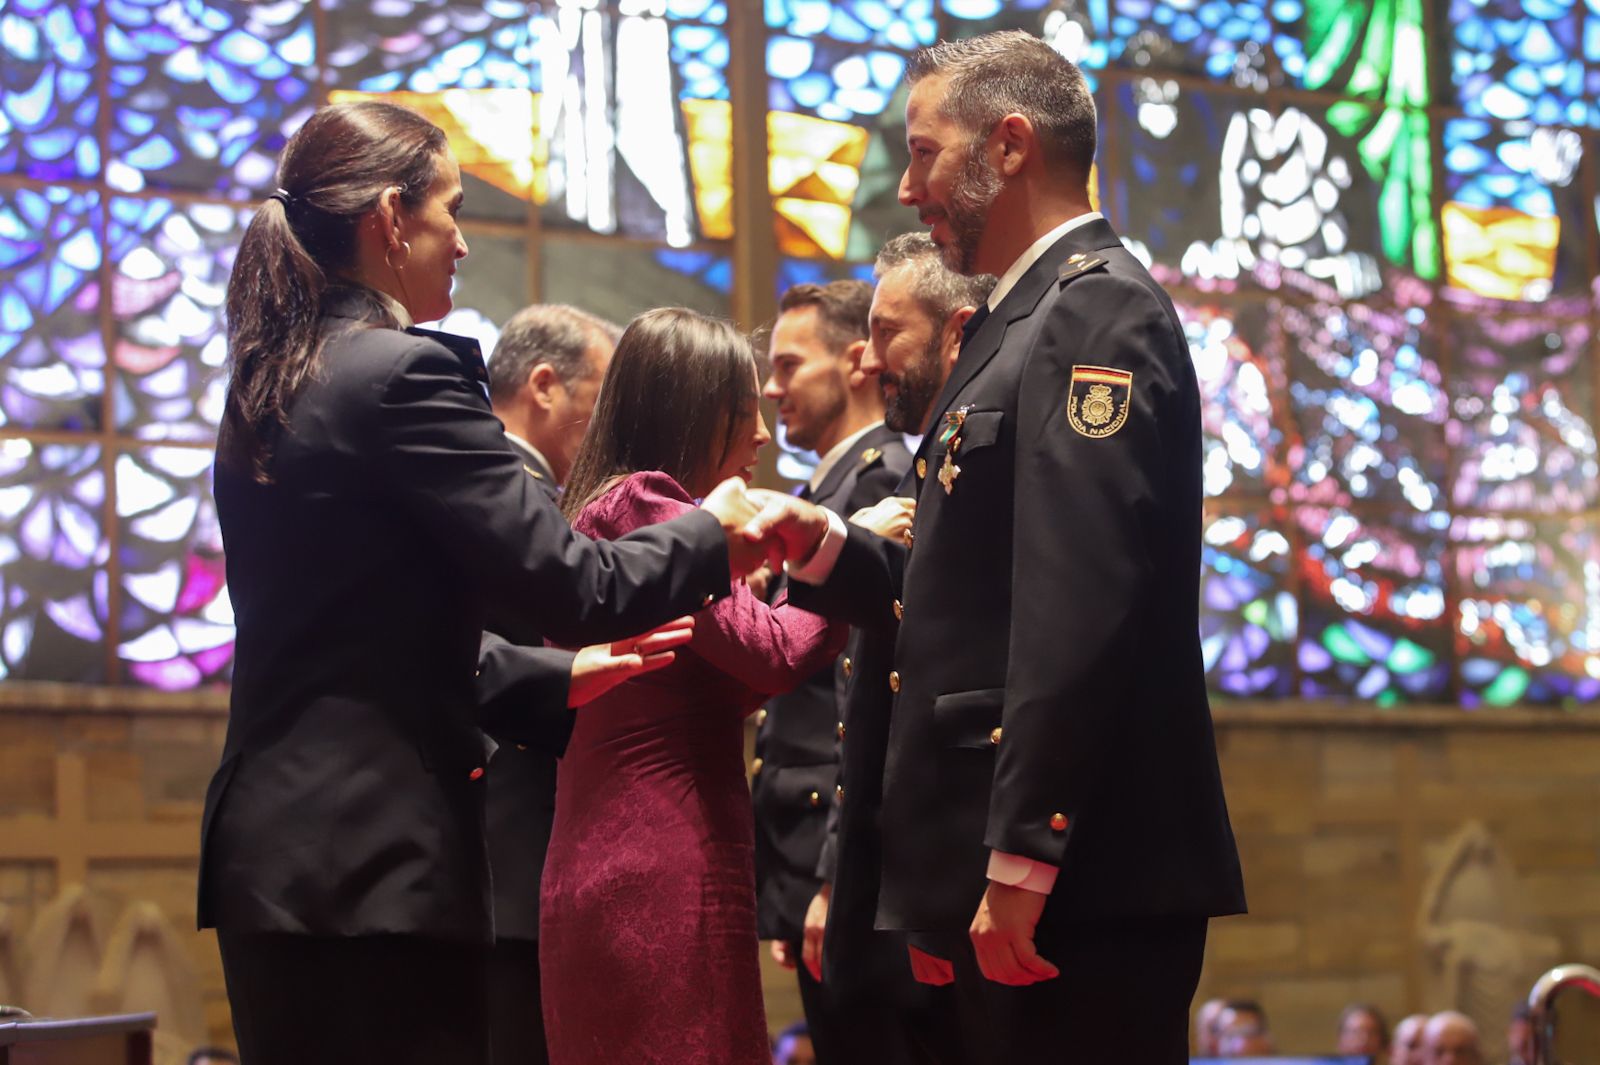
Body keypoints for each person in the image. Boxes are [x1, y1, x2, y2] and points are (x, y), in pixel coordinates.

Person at [201, 101, 785, 1065]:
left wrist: (554, 680)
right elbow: (573, 583)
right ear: (390, 217)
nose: (464, 242)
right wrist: (713, 531)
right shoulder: (397, 374)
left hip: (277, 855)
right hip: (375, 864)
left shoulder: (275, 378)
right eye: (452, 211)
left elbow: (354, 630)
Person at [752, 30, 1246, 1063]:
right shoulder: (1016, 324)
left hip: (1079, 871)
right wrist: (829, 550)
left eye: (924, 151)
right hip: (994, 864)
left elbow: (1082, 594)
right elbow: (965, 594)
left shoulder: (1094, 309)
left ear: (1009, 145)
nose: (907, 187)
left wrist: (1025, 852)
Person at [539, 308, 847, 1065]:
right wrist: (842, 547)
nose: (763, 436)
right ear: (693, 413)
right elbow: (774, 652)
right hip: (662, 856)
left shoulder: (598, 507)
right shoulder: (650, 503)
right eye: (744, 413)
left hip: (601, 854)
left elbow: (718, 683)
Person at [797, 233, 990, 1065]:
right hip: (888, 867)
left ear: (955, 331)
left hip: (935, 870)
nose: (869, 363)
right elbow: (861, 698)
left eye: (887, 334)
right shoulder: (915, 471)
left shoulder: (902, 474)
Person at [754, 278, 914, 1064]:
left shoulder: (879, 483)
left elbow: (862, 690)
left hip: (839, 849)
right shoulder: (829, 488)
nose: (771, 386)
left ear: (858, 360)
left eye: (789, 365)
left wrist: (830, 879)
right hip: (805, 841)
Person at [476, 304, 622, 1065]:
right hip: (514, 853)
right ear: (543, 385)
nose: (603, 434)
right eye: (600, 401)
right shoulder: (512, 494)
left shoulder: (506, 486)